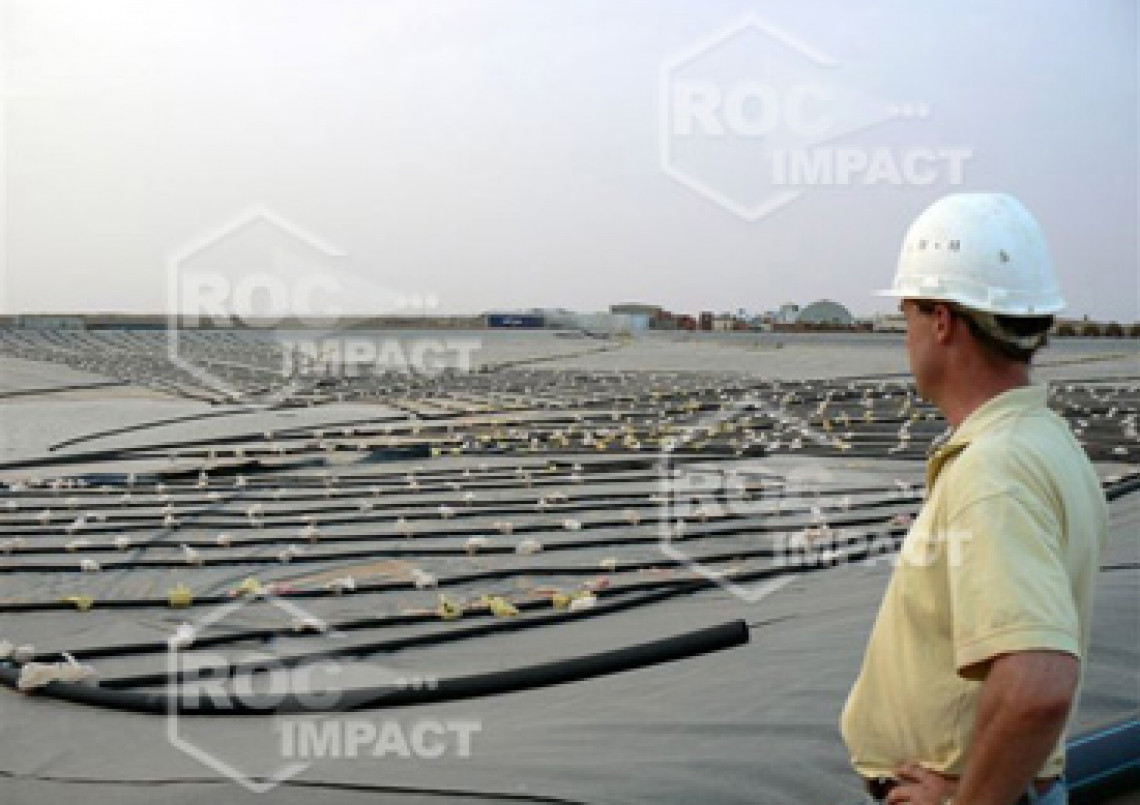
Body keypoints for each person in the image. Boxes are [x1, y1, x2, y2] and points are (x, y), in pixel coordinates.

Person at [840, 193, 1108, 805]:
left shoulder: (997, 470)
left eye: (906, 311)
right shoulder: (1043, 440)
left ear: (942, 321)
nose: (904, 334)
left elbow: (1039, 683)